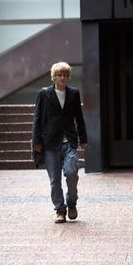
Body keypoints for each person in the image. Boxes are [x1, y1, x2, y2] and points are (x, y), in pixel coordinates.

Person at [32, 62, 87, 223]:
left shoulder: (74, 93)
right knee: (54, 180)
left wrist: (83, 138)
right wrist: (36, 140)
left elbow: (79, 117)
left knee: (72, 173)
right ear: (53, 77)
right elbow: (37, 118)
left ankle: (71, 203)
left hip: (69, 141)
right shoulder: (44, 94)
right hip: (50, 142)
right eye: (59, 75)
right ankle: (60, 210)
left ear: (68, 77)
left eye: (65, 75)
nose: (62, 78)